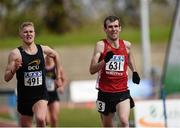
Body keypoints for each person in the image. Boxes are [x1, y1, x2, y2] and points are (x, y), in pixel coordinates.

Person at [4, 21, 62, 127]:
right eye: (25, 32)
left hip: (40, 95)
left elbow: (56, 55)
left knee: (40, 119)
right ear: (20, 35)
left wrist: (58, 77)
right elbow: (6, 78)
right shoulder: (15, 54)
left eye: (31, 31)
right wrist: (14, 69)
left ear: (34, 33)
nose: (28, 34)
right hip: (24, 98)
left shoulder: (43, 49)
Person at [89, 16, 140, 127]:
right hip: (105, 92)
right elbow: (92, 69)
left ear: (120, 28)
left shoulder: (127, 45)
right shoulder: (100, 46)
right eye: (110, 27)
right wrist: (104, 61)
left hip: (122, 91)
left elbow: (130, 58)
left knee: (124, 121)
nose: (114, 29)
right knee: (107, 125)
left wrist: (135, 71)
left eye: (116, 26)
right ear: (105, 29)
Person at [45, 55, 67, 127]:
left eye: (51, 56)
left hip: (54, 95)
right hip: (43, 96)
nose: (49, 58)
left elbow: (64, 80)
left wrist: (62, 87)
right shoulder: (41, 67)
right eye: (47, 56)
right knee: (46, 120)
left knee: (54, 118)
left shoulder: (57, 68)